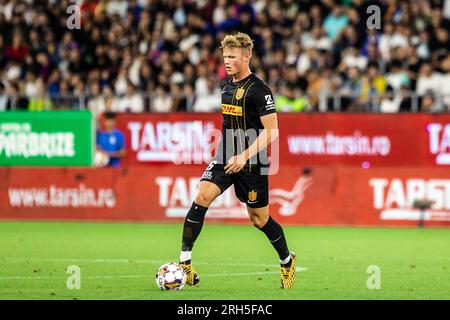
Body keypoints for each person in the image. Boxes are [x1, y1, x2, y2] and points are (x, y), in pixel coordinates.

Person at [178, 32, 297, 289]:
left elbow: (272, 131)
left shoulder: (260, 90)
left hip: (252, 162)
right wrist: (230, 153)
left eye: (232, 57)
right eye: (225, 57)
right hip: (225, 156)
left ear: (247, 56)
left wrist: (244, 155)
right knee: (202, 196)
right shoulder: (225, 86)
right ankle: (185, 263)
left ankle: (287, 260)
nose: (227, 61)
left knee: (259, 219)